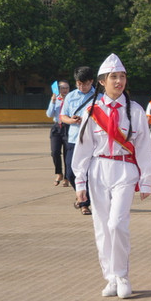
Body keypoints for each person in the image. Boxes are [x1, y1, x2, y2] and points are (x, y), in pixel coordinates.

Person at [71, 54, 151, 299]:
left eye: (122, 76)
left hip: (124, 170)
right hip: (98, 170)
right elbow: (83, 148)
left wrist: (146, 179)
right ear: (102, 82)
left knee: (117, 224)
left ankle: (122, 275)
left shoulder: (135, 110)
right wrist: (80, 181)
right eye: (113, 77)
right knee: (102, 227)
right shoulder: (92, 111)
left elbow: (144, 146)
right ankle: (110, 277)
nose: (119, 81)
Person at [61, 66, 98, 214]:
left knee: (89, 173)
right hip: (74, 139)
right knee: (70, 173)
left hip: (91, 140)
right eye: (78, 84)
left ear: (91, 82)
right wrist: (72, 120)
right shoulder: (70, 96)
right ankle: (84, 198)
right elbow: (63, 116)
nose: (82, 87)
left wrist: (86, 120)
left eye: (85, 84)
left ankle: (84, 203)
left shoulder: (99, 97)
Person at [46, 80, 71, 187]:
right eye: (62, 88)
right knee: (55, 152)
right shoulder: (56, 99)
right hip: (57, 127)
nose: (65, 90)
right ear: (58, 89)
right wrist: (53, 101)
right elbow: (49, 114)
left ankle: (67, 177)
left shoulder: (72, 99)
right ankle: (59, 173)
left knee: (67, 154)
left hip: (68, 127)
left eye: (66, 88)